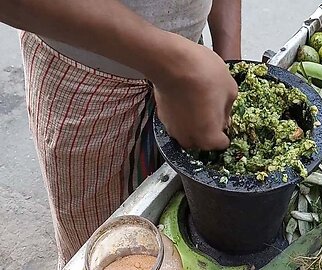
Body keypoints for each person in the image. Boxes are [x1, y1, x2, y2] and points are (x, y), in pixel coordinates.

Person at [0, 0, 241, 267]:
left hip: (193, 72)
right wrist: (172, 65)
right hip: (90, 85)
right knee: (104, 246)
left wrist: (228, 62)